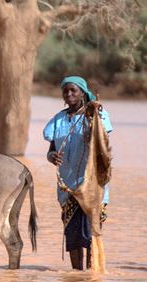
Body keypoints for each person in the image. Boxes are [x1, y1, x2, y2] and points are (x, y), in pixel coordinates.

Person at [43, 76, 113, 270]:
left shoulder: (96, 115)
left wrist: (94, 119)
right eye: (66, 91)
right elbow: (51, 149)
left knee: (91, 234)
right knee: (73, 237)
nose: (69, 94)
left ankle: (91, 273)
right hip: (68, 187)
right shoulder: (58, 120)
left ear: (82, 92)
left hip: (92, 186)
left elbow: (103, 142)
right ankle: (77, 277)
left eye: (73, 90)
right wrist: (52, 156)